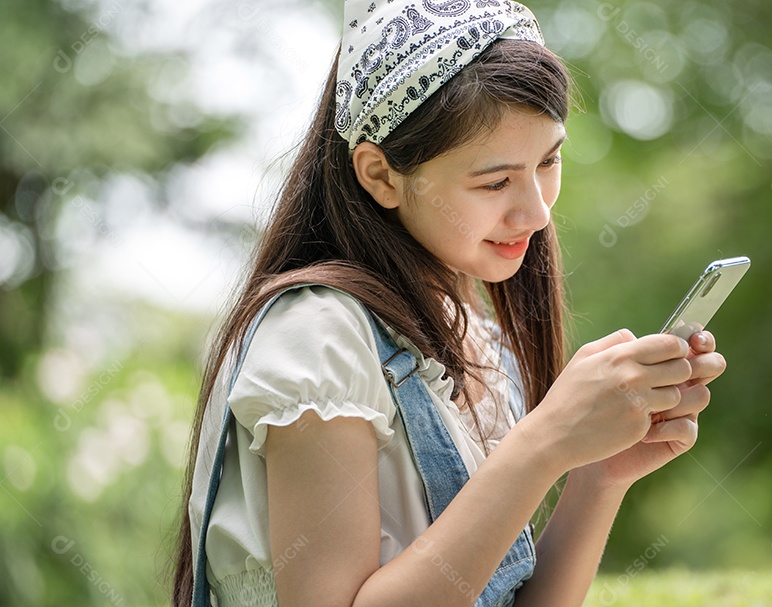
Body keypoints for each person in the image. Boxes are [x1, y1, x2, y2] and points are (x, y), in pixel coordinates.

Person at [169, 1, 727, 605]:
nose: (537, 212)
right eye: (494, 182)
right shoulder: (320, 335)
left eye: (549, 161)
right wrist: (542, 445)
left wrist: (599, 474)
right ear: (381, 175)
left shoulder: (474, 336)